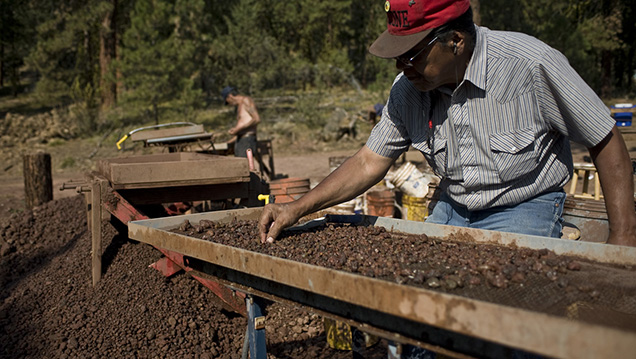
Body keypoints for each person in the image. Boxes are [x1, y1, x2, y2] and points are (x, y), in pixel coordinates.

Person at [259, 0, 636, 247]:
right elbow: (367, 162)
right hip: (453, 203)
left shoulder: (529, 64)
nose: (400, 67)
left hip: (524, 204)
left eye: (411, 55)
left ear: (455, 40)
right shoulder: (409, 88)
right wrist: (297, 207)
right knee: (417, 307)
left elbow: (604, 138)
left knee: (505, 316)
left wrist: (623, 237)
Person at [221, 86, 260, 158]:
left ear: (230, 96)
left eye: (227, 101)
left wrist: (238, 129)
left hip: (247, 141)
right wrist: (230, 141)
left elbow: (256, 119)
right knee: (240, 165)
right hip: (241, 140)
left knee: (245, 166)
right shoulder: (239, 106)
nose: (229, 104)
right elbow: (242, 129)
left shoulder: (246, 100)